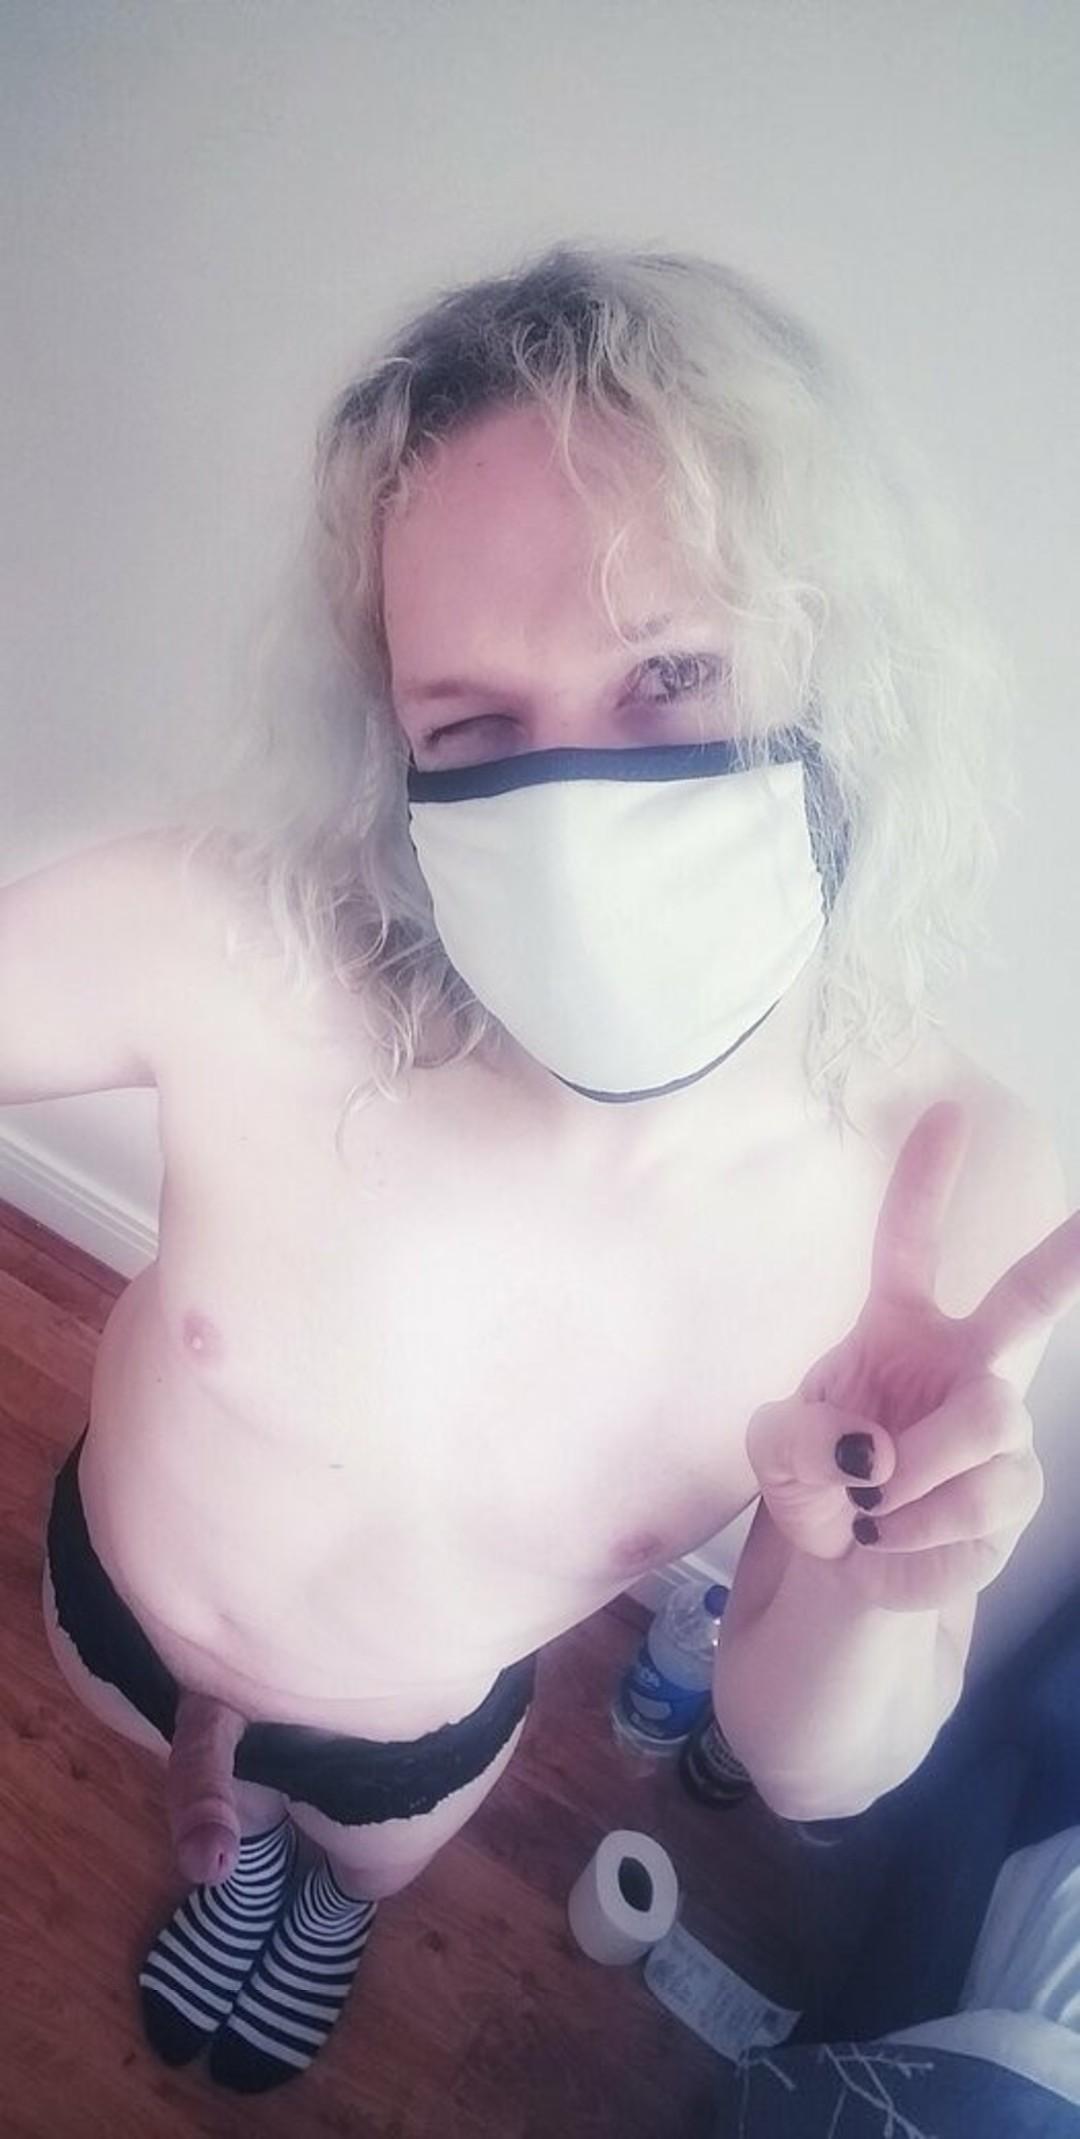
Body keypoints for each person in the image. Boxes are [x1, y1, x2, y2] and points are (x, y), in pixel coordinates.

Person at [6, 243, 1077, 2098]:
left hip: (412, 1752)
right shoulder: (235, 940)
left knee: (354, 1877)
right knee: (206, 1831)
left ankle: (317, 1908)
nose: (579, 816)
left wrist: (879, 1573)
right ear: (390, 743)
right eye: (475, 726)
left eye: (671, 669)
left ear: (837, 663)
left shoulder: (946, 1183)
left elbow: (812, 1764)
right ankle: (236, 1874)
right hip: (111, 1612)